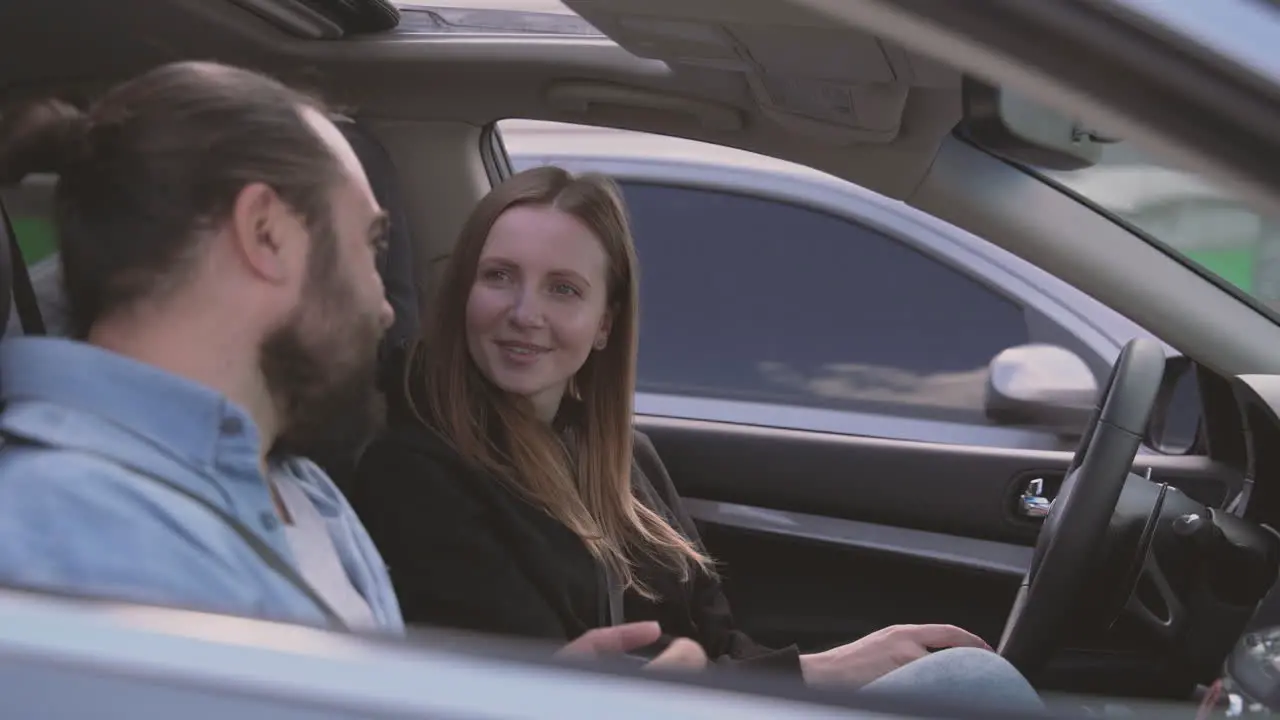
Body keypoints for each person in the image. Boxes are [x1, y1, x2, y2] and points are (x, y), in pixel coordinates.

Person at [0, 61, 704, 671]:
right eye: (369, 244)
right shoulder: (68, 531)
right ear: (266, 234)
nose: (387, 304)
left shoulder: (298, 485)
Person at [349, 166, 1045, 710]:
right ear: (462, 295)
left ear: (603, 325)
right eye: (499, 277)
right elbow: (549, 690)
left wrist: (837, 667)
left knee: (961, 679)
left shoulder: (626, 461)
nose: (524, 312)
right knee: (971, 686)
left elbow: (719, 645)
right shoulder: (416, 475)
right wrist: (827, 671)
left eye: (563, 289)